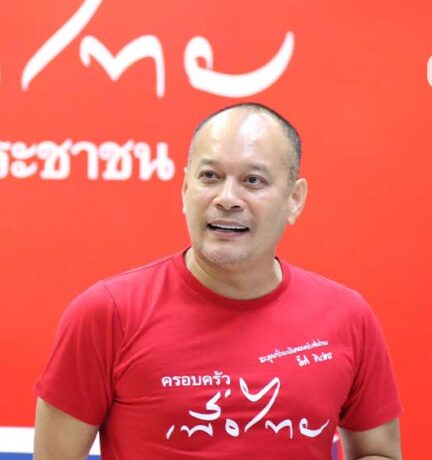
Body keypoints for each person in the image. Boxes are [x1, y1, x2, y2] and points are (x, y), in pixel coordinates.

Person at [33, 102, 403, 460]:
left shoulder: (347, 316)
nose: (227, 199)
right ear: (185, 189)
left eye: (253, 181)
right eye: (210, 176)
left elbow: (378, 451)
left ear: (294, 199)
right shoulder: (107, 314)